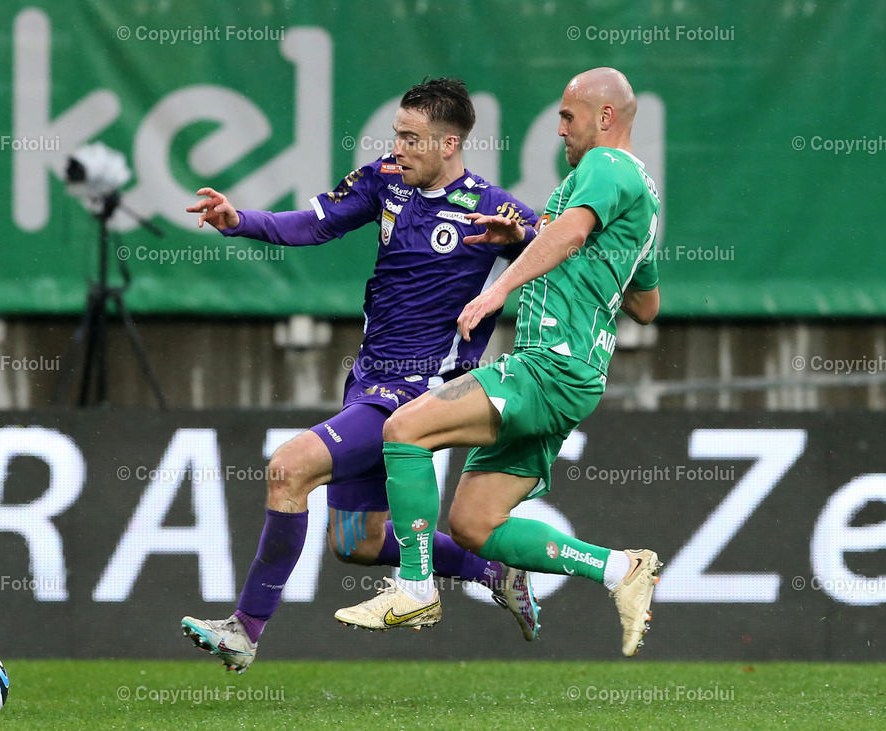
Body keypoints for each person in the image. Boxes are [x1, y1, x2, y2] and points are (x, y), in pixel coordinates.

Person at [180, 78, 543, 673]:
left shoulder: (494, 210)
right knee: (358, 545)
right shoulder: (386, 179)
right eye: (396, 134)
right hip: (368, 381)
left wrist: (524, 238)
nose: (397, 147)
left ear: (450, 143)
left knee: (288, 468)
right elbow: (314, 224)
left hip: (419, 393)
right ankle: (496, 572)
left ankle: (243, 630)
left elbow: (558, 249)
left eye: (411, 138)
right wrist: (237, 218)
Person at [335, 67, 663, 657]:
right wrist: (525, 234)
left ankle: (413, 587)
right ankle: (620, 569)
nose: (560, 128)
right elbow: (645, 303)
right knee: (474, 525)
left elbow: (568, 234)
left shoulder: (605, 167)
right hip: (574, 376)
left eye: (568, 116)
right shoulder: (641, 194)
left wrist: (496, 289)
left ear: (605, 117)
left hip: (547, 366)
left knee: (404, 430)